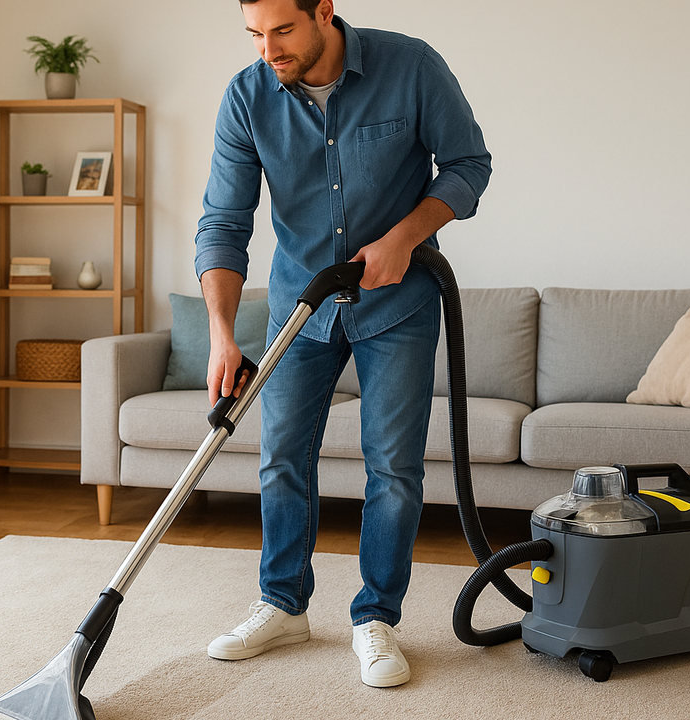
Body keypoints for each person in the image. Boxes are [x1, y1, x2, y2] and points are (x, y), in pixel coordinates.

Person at [194, 0, 491, 688]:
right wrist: (221, 337)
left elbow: (468, 165)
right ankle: (282, 605)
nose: (268, 50)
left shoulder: (410, 66)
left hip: (399, 303)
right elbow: (224, 221)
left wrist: (405, 236)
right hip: (300, 307)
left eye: (283, 30)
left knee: (394, 468)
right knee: (281, 459)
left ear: (324, 11)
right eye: (254, 34)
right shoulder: (247, 97)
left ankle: (376, 618)